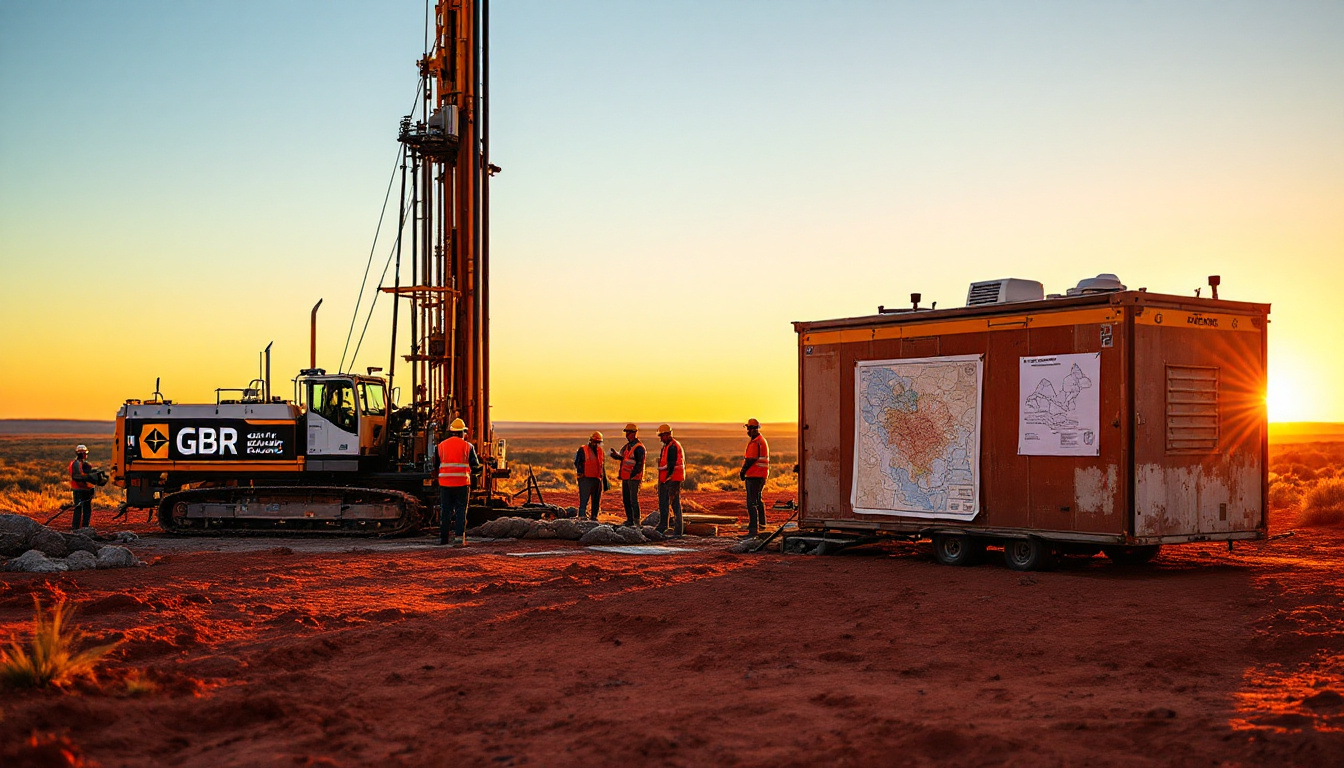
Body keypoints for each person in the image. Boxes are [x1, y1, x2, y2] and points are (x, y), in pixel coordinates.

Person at [433, 418, 481, 546]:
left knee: (445, 510)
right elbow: (475, 466)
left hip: (445, 484)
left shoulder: (441, 446)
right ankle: (459, 538)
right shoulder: (468, 446)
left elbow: (436, 465)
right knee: (460, 510)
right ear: (462, 432)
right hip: (462, 484)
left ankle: (443, 539)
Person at [609, 423, 645, 527]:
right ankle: (630, 520)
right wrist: (616, 456)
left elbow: (639, 464)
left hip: (634, 478)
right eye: (626, 433)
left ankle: (636, 521)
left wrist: (632, 475)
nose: (626, 435)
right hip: (626, 477)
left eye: (628, 433)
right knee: (626, 499)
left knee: (633, 499)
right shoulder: (628, 446)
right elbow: (624, 459)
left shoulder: (639, 448)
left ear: (634, 433)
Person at [740, 418, 770, 537]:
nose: (748, 431)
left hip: (754, 475)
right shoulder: (761, 441)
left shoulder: (755, 442)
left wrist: (743, 472)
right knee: (757, 500)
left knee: (751, 502)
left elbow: (750, 459)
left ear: (753, 429)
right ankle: (762, 525)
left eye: (749, 428)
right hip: (760, 475)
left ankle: (753, 529)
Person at [656, 424, 685, 537]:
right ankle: (663, 525)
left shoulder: (673, 446)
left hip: (673, 479)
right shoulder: (667, 446)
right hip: (666, 479)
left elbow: (671, 464)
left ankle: (678, 531)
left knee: (674, 503)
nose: (661, 438)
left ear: (667, 435)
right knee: (663, 502)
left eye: (662, 436)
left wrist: (667, 474)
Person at [574, 431, 608, 520]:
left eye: (598, 442)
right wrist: (581, 473)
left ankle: (594, 517)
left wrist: (605, 481)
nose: (596, 444)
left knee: (596, 500)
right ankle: (582, 517)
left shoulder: (601, 451)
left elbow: (602, 466)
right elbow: (577, 463)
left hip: (597, 479)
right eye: (595, 442)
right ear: (591, 441)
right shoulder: (583, 449)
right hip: (586, 479)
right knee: (584, 500)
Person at [68, 445, 96, 531]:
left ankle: (75, 527)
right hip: (82, 489)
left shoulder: (73, 463)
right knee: (86, 508)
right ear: (83, 454)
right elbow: (77, 477)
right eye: (85, 453)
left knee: (78, 508)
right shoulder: (78, 464)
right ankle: (85, 527)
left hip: (77, 489)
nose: (86, 455)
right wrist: (88, 487)